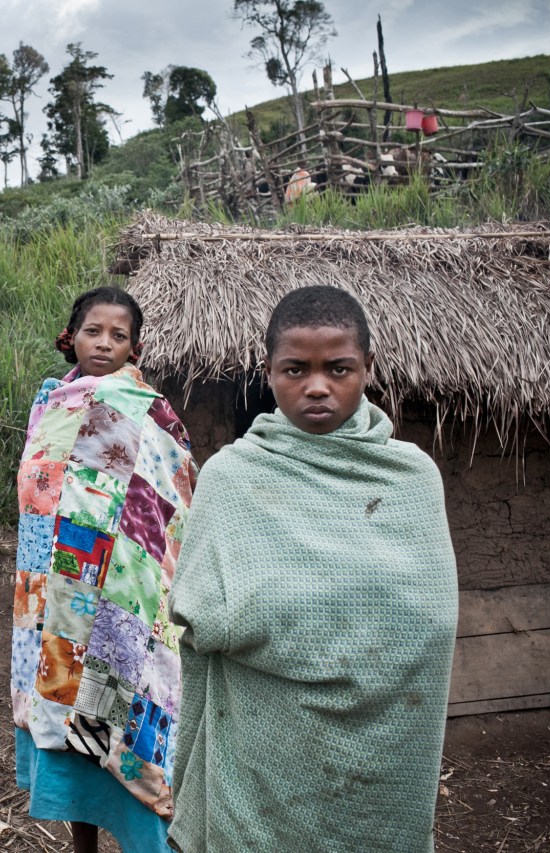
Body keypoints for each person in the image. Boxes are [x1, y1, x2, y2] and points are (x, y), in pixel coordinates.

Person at [166, 285, 458, 852]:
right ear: (269, 372)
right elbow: (200, 613)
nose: (317, 386)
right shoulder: (233, 477)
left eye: (339, 369)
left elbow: (432, 619)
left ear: (368, 368)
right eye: (295, 369)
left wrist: (280, 612)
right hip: (263, 746)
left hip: (385, 747)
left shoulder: (411, 478)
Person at [12, 287, 198, 853]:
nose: (105, 343)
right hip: (57, 588)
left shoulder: (150, 411)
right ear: (72, 335)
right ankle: (82, 844)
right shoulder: (51, 403)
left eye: (119, 336)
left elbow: (177, 488)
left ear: (134, 347)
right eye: (95, 331)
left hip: (124, 589)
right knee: (64, 700)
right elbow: (37, 494)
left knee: (120, 692)